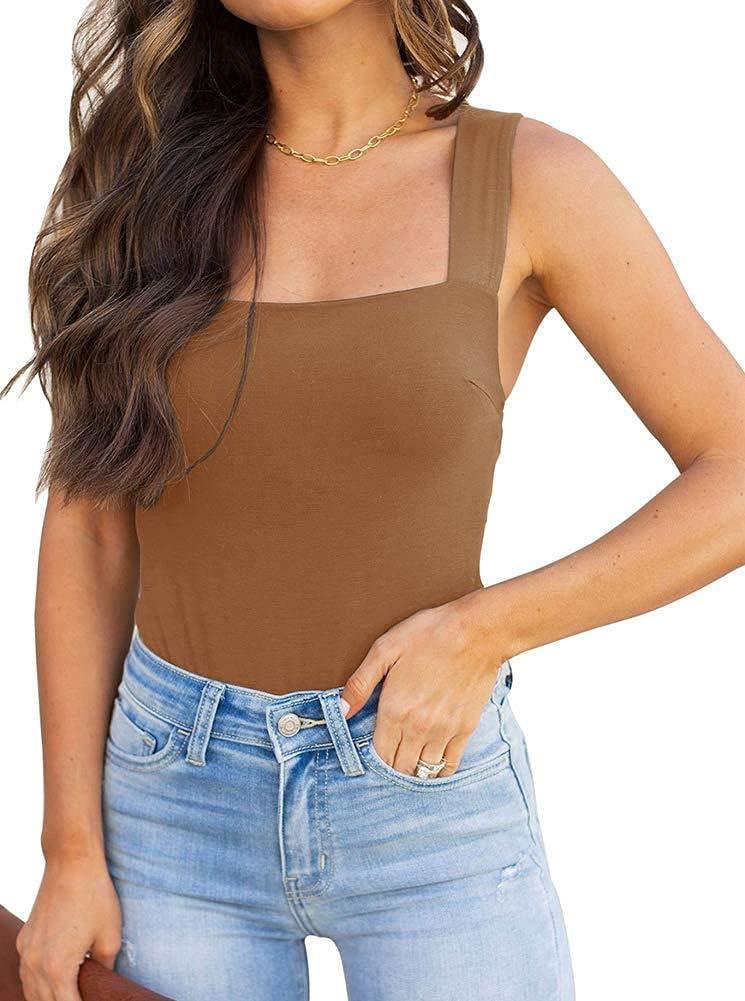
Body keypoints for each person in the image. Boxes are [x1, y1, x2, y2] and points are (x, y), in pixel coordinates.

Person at [5, 1, 745, 1000]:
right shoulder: (146, 185)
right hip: (170, 803)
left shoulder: (529, 179)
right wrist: (69, 850)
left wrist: (486, 629)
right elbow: (89, 528)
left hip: (425, 793)